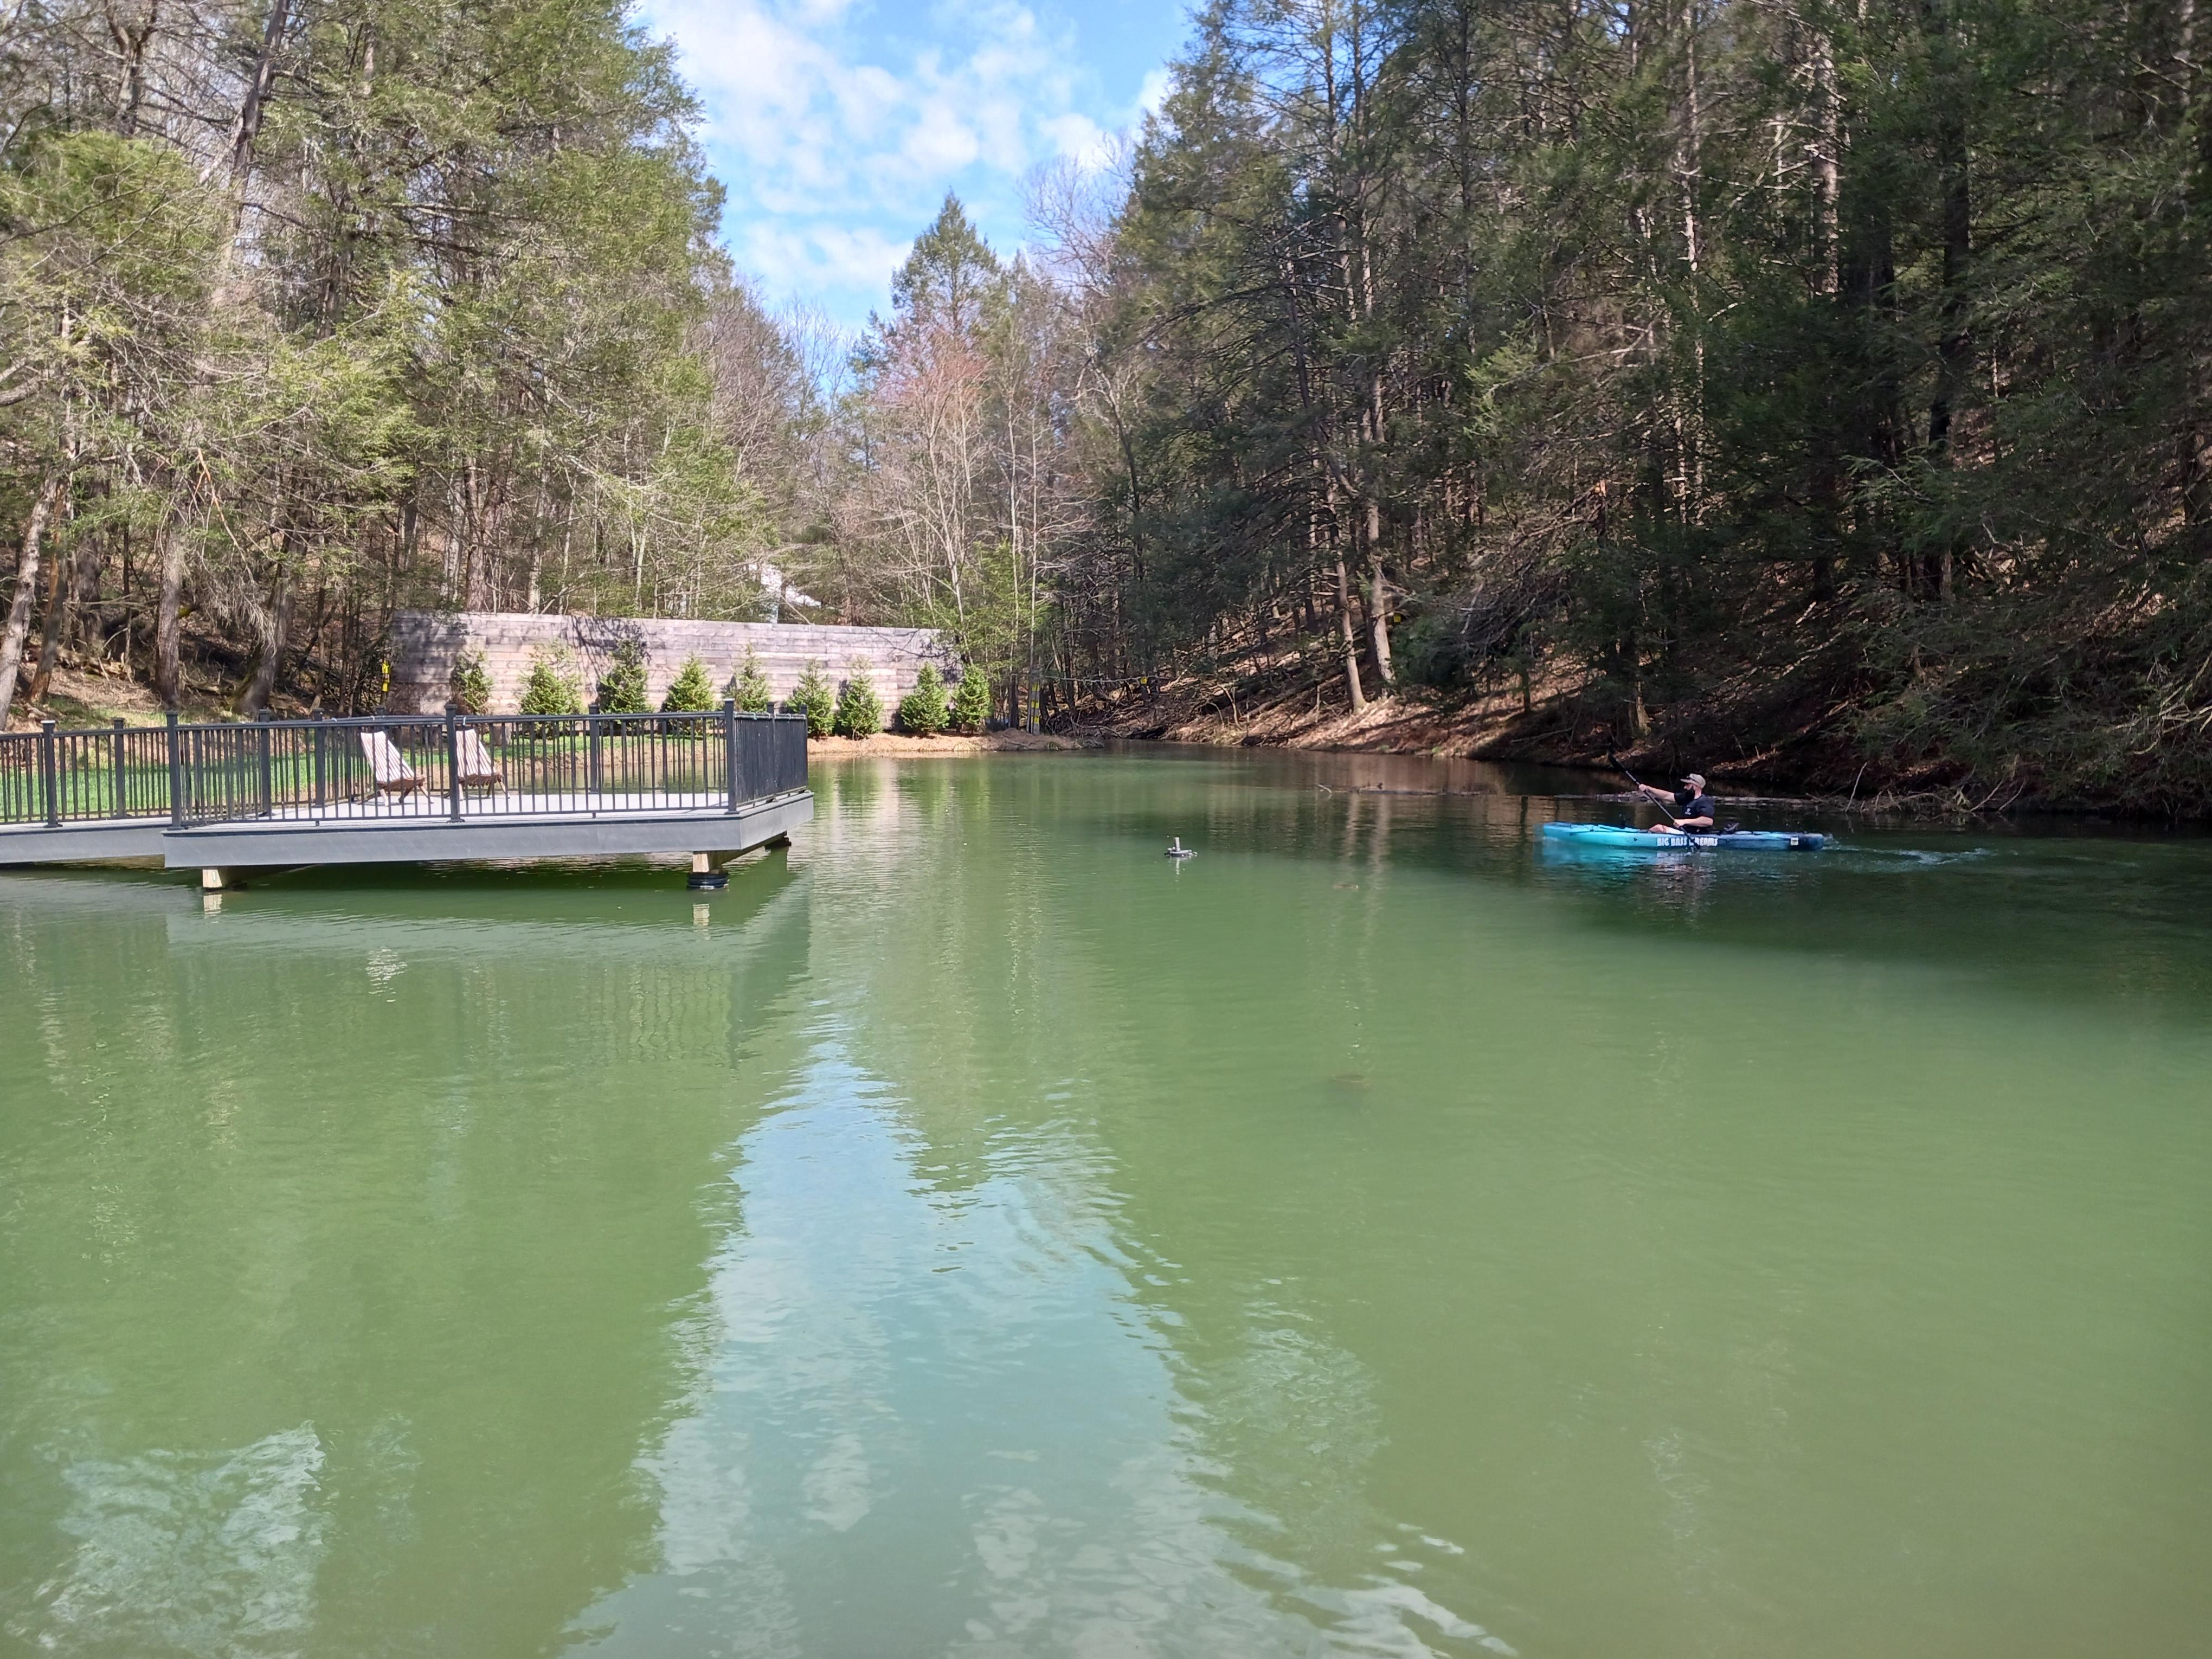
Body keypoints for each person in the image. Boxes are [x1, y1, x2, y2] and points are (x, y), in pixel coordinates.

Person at [1634, 771, 1718, 834]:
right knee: (1658, 828)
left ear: (1695, 786)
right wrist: (1649, 789)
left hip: (1696, 835)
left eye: (1688, 785)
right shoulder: (1687, 797)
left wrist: (1684, 822)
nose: (1685, 787)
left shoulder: (1704, 801)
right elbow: (1667, 796)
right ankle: (1643, 835)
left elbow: (1708, 821)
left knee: (1659, 828)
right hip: (1684, 832)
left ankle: (1642, 839)